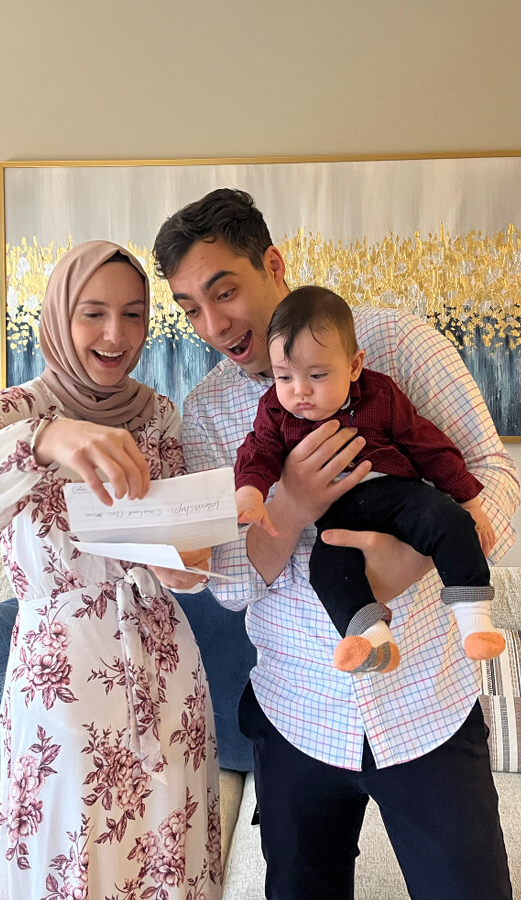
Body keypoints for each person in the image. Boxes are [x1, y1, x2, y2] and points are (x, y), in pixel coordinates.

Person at [153, 189, 520, 900]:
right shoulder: (209, 412)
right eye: (190, 307)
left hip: (427, 707)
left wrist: (409, 561)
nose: (213, 325)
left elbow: (494, 476)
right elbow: (231, 587)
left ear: (273, 265)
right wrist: (290, 506)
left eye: (224, 291)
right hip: (296, 718)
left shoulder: (396, 345)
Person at [0, 241, 222, 900]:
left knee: (169, 864)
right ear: (59, 315)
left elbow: (182, 538)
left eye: (134, 314)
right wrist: (43, 440)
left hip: (166, 677)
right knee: (71, 864)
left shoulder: (159, 415)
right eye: (94, 313)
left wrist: (187, 565)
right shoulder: (17, 412)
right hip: (61, 683)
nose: (117, 334)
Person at [235, 284, 504, 675]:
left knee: (448, 518)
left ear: (354, 366)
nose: (300, 391)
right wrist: (250, 493)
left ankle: (475, 620)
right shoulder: (275, 411)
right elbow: (258, 452)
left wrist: (470, 502)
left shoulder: (379, 394)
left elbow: (427, 445)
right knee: (324, 568)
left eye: (317, 375)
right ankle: (372, 640)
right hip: (338, 518)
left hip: (399, 496)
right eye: (284, 377)